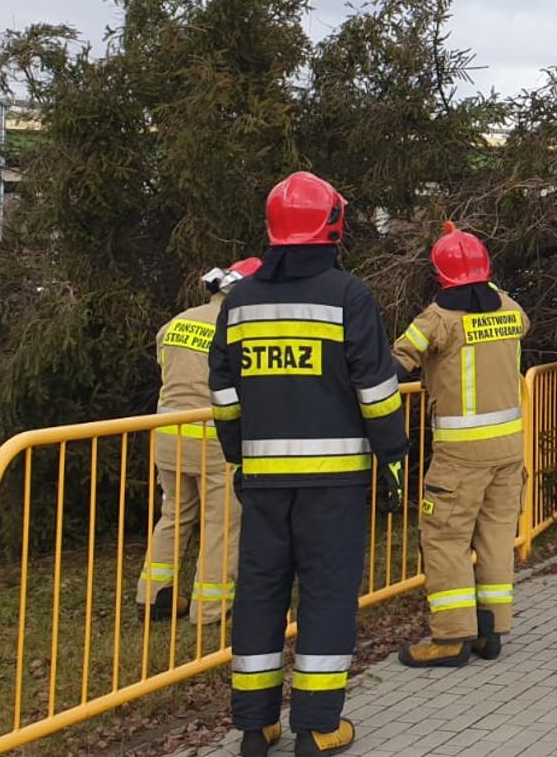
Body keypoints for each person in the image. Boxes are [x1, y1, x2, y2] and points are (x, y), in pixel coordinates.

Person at [211, 172, 408, 757]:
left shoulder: (239, 301)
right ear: (332, 226)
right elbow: (377, 390)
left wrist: (240, 461)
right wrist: (393, 461)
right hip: (335, 484)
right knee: (325, 596)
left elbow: (224, 396)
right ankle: (317, 727)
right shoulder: (349, 295)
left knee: (260, 594)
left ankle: (255, 726)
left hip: (265, 482)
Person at [392, 222, 528, 668]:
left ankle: (451, 638)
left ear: (439, 274)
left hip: (460, 453)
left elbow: (395, 363)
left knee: (445, 538)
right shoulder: (509, 307)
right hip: (509, 448)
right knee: (494, 537)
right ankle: (490, 630)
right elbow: (519, 325)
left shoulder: (438, 318)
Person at [137, 257, 260, 625]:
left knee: (174, 514)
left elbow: (166, 368)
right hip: (213, 439)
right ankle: (209, 609)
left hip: (169, 436)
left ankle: (153, 598)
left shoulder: (176, 323)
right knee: (221, 522)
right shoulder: (237, 327)